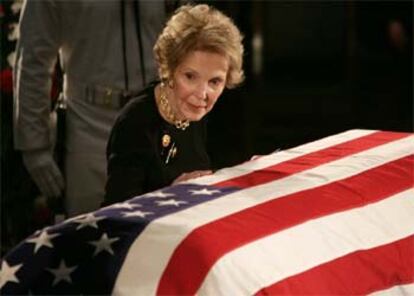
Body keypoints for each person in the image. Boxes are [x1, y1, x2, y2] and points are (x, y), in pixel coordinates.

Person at [13, 1, 171, 217]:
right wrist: (35, 146)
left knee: (163, 230)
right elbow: (33, 59)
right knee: (90, 232)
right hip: (88, 124)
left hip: (160, 118)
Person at [104, 4, 244, 205]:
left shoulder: (211, 113)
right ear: (169, 69)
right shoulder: (136, 121)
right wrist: (170, 195)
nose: (202, 94)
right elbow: (114, 216)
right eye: (190, 76)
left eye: (214, 82)